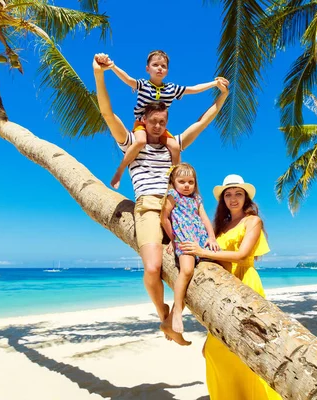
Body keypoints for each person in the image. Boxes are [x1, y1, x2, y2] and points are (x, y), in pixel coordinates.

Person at [93, 53, 229, 346]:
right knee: (153, 268)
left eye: (162, 121)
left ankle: (184, 314)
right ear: (142, 120)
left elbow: (203, 121)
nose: (157, 126)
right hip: (150, 208)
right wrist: (99, 74)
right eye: (152, 121)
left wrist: (223, 96)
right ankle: (163, 313)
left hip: (182, 211)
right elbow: (107, 113)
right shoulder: (131, 142)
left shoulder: (173, 143)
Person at [179, 174, 282, 400]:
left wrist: (202, 252)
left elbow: (243, 255)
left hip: (246, 283)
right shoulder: (220, 226)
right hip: (223, 288)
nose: (233, 198)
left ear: (246, 197)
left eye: (238, 194)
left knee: (250, 346)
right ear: (223, 200)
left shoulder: (252, 221)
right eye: (228, 194)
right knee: (216, 350)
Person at [105, 50, 222, 189]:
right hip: (142, 124)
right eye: (155, 65)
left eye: (163, 66)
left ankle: (174, 180)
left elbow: (193, 89)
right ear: (147, 69)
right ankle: (120, 171)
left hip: (160, 127)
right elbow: (128, 79)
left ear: (167, 71)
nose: (160, 68)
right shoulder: (143, 84)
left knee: (175, 147)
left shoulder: (171, 88)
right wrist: (112, 66)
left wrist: (214, 84)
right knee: (141, 141)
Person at [160, 163, 219, 335]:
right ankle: (177, 312)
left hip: (200, 239)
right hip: (184, 239)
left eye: (190, 182)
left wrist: (212, 237)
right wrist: (173, 239)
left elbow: (205, 219)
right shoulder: (172, 196)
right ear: (173, 182)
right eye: (182, 181)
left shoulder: (196, 199)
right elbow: (164, 219)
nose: (186, 185)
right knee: (186, 271)